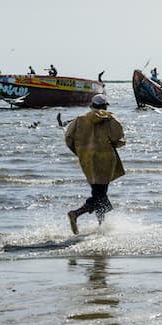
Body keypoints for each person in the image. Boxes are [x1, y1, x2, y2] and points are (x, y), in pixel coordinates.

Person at [65, 94, 125, 235]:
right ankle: (76, 213)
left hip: (87, 161)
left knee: (99, 194)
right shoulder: (110, 119)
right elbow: (119, 140)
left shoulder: (79, 120)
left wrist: (80, 152)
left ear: (92, 105)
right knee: (100, 194)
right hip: (105, 161)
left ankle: (101, 226)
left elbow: (68, 138)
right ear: (105, 106)